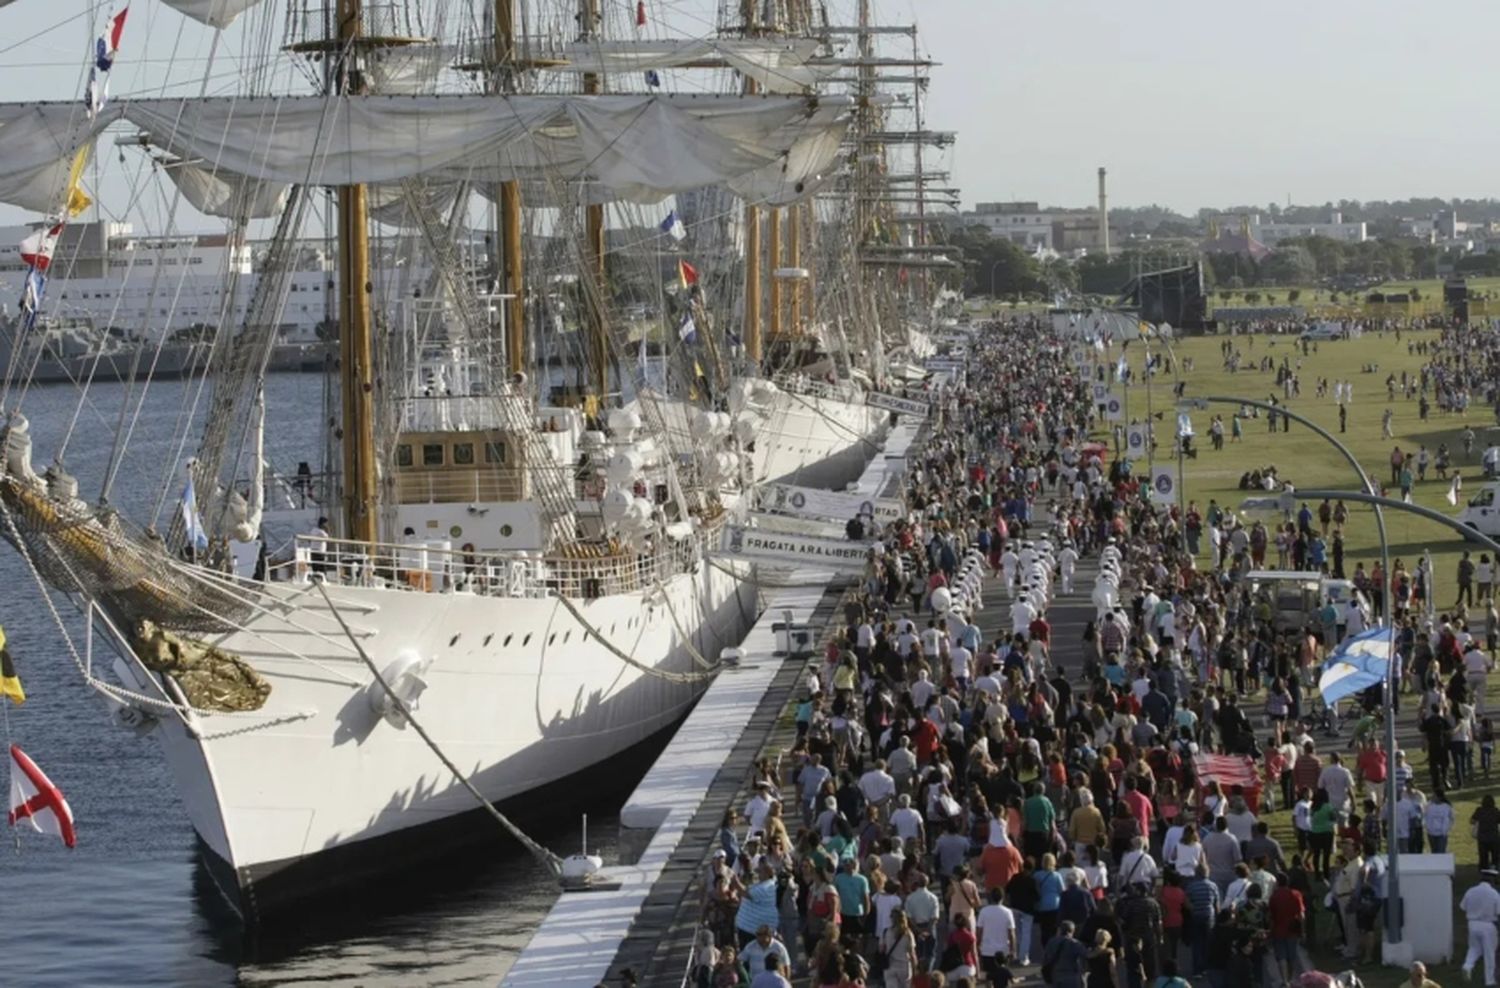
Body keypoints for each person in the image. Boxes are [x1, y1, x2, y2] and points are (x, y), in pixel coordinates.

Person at [1461, 868, 1500, 986]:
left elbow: (1463, 907)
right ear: (1492, 880)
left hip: (1472, 923)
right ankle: (1490, 980)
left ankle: (1467, 966)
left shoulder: (1470, 891)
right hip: (1488, 925)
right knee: (1489, 953)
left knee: (1474, 948)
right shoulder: (1494, 894)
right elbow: (1498, 912)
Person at [975, 888, 1017, 986]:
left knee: (988, 977)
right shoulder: (1007, 912)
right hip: (1003, 951)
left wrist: (978, 945)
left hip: (987, 950)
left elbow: (979, 931)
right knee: (1003, 977)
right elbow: (1011, 933)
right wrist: (1013, 950)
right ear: (1002, 898)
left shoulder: (984, 911)